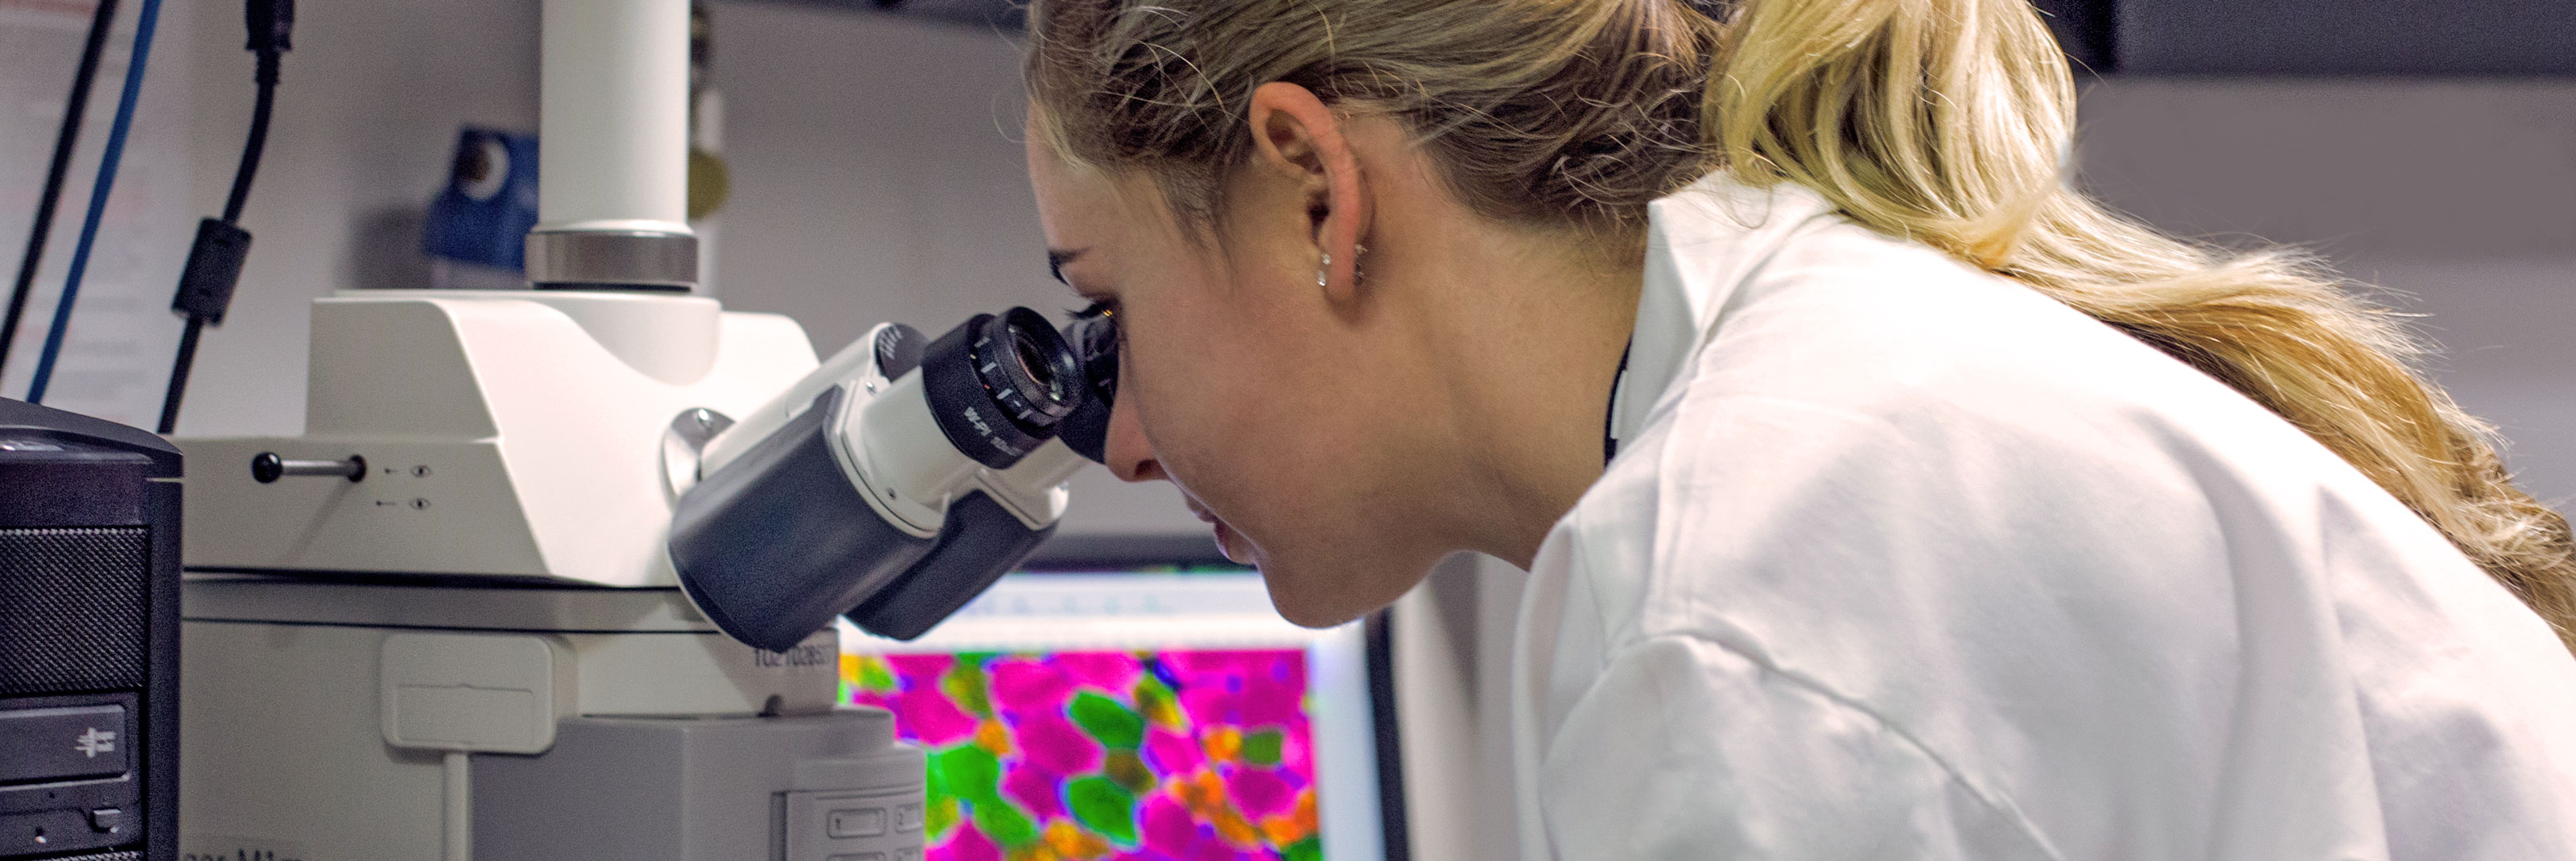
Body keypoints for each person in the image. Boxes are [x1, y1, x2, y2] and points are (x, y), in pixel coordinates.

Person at [1016, 0, 2576, 856]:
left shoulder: (1739, 585)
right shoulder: (1839, 401)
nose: (1125, 440)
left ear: (1309, 185)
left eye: (1106, 311)